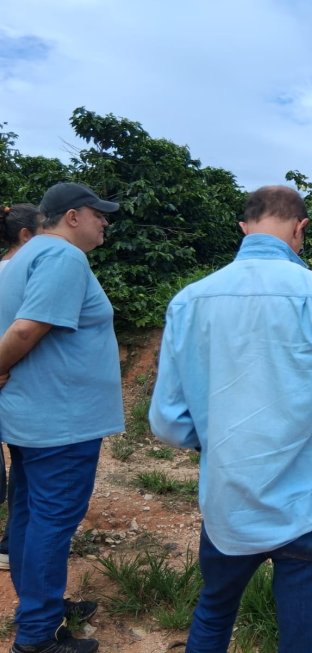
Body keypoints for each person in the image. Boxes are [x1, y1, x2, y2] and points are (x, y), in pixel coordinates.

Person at [149, 185, 312, 653]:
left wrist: (222, 438)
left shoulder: (190, 300)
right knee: (305, 641)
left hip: (228, 507)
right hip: (309, 509)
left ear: (244, 227)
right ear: (301, 228)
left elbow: (168, 423)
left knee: (213, 615)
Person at [0, 183, 124, 653]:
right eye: (99, 214)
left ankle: (39, 606)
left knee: (30, 517)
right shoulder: (63, 258)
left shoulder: (21, 259)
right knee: (52, 521)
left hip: (34, 415)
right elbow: (28, 328)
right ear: (72, 216)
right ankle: (36, 637)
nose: (105, 222)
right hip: (61, 422)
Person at [0, 204, 40, 573]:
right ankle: (13, 544)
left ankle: (13, 543)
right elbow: (24, 331)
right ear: (26, 235)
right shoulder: (23, 273)